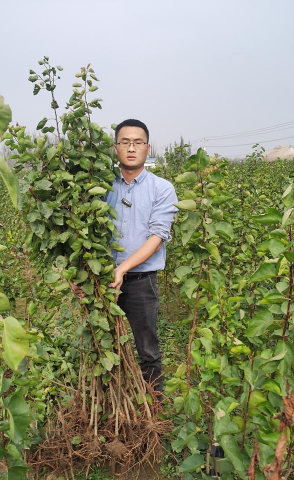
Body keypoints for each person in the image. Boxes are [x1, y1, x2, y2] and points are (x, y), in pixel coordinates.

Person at [106, 119, 178, 393]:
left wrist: (122, 268)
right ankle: (111, 398)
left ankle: (153, 402)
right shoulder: (102, 187)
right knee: (103, 343)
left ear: (148, 148)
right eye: (125, 142)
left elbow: (157, 238)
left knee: (147, 348)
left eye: (138, 142)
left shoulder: (162, 188)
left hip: (141, 281)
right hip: (103, 279)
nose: (131, 148)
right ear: (115, 148)